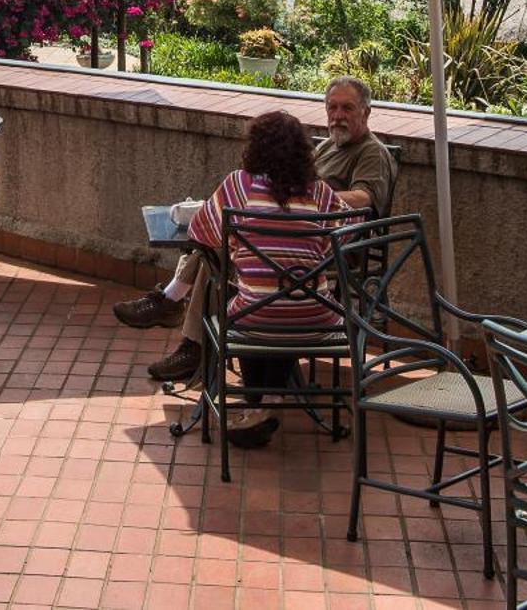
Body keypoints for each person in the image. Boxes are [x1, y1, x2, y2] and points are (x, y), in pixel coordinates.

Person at [117, 76, 398, 385]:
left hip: (328, 255)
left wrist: (296, 199)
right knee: (217, 248)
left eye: (347, 108)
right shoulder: (330, 145)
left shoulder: (371, 152)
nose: (337, 115)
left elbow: (364, 199)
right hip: (297, 247)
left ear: (366, 112)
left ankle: (179, 317)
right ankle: (189, 338)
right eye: (332, 107)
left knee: (216, 243)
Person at [185, 111, 345, 449]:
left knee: (254, 305)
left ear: (254, 147)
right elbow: (345, 240)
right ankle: (270, 401)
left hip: (255, 319)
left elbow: (199, 230)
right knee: (288, 297)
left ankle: (257, 403)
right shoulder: (321, 193)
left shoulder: (239, 185)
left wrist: (240, 245)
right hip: (316, 321)